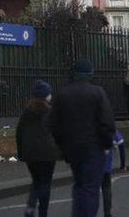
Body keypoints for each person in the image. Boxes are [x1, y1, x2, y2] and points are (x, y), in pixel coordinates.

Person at [49, 59, 114, 217]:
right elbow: (107, 122)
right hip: (94, 147)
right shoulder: (98, 92)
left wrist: (62, 148)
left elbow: (54, 124)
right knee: (91, 189)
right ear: (90, 73)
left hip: (72, 149)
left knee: (79, 186)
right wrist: (107, 145)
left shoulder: (62, 94)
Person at [16, 80, 57, 217]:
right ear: (46, 95)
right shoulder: (50, 111)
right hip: (47, 154)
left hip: (30, 154)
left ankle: (31, 205)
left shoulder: (27, 112)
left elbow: (19, 133)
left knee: (36, 180)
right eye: (49, 93)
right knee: (45, 184)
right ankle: (42, 213)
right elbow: (57, 131)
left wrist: (21, 153)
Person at [101, 129, 126, 217]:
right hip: (105, 167)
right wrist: (123, 165)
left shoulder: (88, 127)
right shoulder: (110, 128)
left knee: (89, 190)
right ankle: (107, 213)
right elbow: (121, 146)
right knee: (106, 189)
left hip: (90, 166)